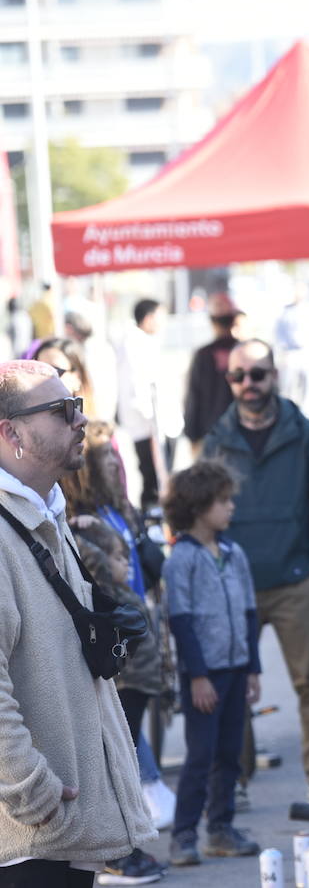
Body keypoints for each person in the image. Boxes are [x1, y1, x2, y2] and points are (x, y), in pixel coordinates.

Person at [0, 359, 156, 887]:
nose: (79, 421)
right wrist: (31, 789)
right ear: (11, 432)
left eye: (78, 407)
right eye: (62, 410)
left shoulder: (44, 510)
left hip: (62, 832)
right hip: (27, 838)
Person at [200, 340, 309, 808]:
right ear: (230, 382)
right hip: (236, 584)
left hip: (294, 578)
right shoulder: (217, 438)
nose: (249, 384)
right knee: (231, 687)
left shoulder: (304, 433)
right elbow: (201, 508)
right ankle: (235, 781)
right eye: (240, 376)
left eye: (258, 374)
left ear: (273, 376)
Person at [60, 421, 178, 838]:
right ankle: (134, 820)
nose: (114, 461)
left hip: (144, 634)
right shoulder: (77, 522)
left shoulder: (119, 509)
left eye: (114, 453)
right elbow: (95, 576)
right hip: (120, 645)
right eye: (104, 456)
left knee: (134, 727)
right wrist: (107, 555)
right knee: (121, 735)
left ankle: (144, 804)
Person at [161, 461, 262, 866]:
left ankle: (221, 828)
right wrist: (198, 676)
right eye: (223, 501)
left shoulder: (234, 553)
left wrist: (253, 667)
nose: (230, 507)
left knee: (229, 753)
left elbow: (250, 612)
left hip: (237, 668)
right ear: (199, 507)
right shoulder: (180, 559)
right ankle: (184, 835)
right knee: (200, 756)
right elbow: (181, 622)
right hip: (205, 674)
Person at [68, 520, 168, 884]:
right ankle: (120, 856)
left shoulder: (123, 588)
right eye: (118, 557)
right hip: (124, 684)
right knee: (117, 769)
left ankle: (128, 849)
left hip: (141, 684)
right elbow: (85, 558)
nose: (126, 563)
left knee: (127, 767)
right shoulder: (102, 584)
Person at [116, 299, 177, 509]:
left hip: (159, 422)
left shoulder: (145, 341)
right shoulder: (134, 344)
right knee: (153, 478)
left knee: (162, 476)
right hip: (149, 425)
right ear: (149, 318)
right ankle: (153, 520)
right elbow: (136, 385)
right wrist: (151, 418)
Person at [183, 293, 245, 456]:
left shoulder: (203, 354)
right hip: (243, 433)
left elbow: (193, 396)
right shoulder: (245, 352)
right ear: (234, 320)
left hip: (209, 434)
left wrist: (192, 435)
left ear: (211, 321)